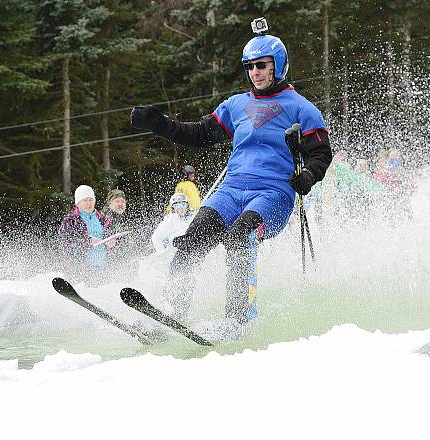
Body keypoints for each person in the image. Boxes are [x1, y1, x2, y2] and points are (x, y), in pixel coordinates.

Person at [129, 21, 331, 327]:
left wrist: (309, 176)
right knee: (192, 237)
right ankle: (172, 309)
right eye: (249, 66)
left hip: (272, 194)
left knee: (240, 237)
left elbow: (320, 153)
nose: (255, 73)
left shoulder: (301, 108)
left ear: (278, 66)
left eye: (262, 65)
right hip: (232, 190)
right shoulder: (236, 105)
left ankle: (238, 320)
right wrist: (159, 123)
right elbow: (198, 134)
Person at [58, 184, 115, 276]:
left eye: (91, 199)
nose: (89, 203)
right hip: (81, 269)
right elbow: (65, 241)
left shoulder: (102, 219)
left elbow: (110, 235)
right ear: (77, 203)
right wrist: (87, 241)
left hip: (103, 267)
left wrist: (112, 241)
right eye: (85, 200)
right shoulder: (71, 220)